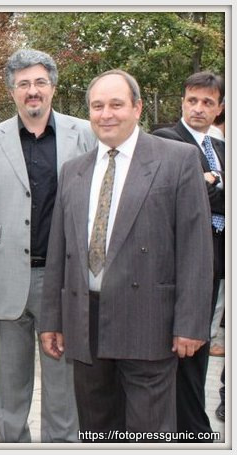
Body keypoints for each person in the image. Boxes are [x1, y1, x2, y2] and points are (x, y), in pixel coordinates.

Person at [40, 69, 213, 440]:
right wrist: (52, 319)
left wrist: (190, 323)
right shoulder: (73, 171)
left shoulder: (178, 160)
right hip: (86, 323)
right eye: (97, 106)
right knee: (96, 430)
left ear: (137, 108)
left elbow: (196, 249)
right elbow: (60, 252)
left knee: (149, 432)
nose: (106, 114)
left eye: (116, 105)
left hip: (149, 321)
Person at [0, 48, 96, 443]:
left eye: (40, 82)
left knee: (64, 386)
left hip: (63, 281)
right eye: (23, 83)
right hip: (5, 277)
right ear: (11, 90)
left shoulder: (85, 135)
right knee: (8, 386)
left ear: (53, 87)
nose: (32, 90)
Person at [152, 71, 225, 438]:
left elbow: (208, 195)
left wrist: (210, 181)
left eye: (207, 102)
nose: (198, 108)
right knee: (182, 348)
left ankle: (190, 428)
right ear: (182, 102)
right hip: (179, 265)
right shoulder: (166, 140)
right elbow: (188, 199)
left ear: (219, 108)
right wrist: (211, 185)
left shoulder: (221, 150)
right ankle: (193, 431)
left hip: (215, 265)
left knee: (198, 350)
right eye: (192, 100)